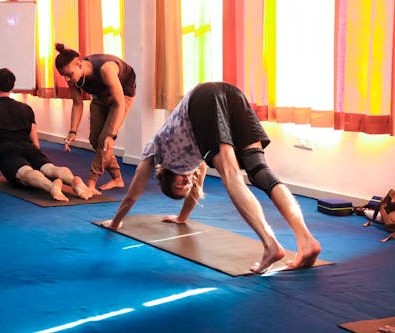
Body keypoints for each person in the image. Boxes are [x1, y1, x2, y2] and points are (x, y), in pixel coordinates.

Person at [102, 81, 322, 274]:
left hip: (202, 99)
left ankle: (270, 245)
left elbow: (132, 195)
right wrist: (181, 218)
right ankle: (307, 241)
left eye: (179, 185)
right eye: (184, 188)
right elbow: (195, 191)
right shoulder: (198, 165)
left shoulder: (156, 153)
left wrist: (116, 221)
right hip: (231, 93)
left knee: (231, 173)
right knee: (260, 172)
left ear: (167, 179)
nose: (186, 183)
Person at [0, 68, 93, 202]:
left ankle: (51, 186)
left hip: (6, 150)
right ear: (12, 86)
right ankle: (73, 180)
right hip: (29, 147)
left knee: (25, 173)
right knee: (50, 168)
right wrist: (37, 160)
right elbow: (35, 141)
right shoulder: (26, 108)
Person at [54, 43, 136, 195]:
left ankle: (91, 183)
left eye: (69, 74)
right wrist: (73, 131)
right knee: (94, 139)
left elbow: (119, 104)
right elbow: (78, 104)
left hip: (122, 97)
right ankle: (118, 179)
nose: (67, 79)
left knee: (105, 140)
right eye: (63, 75)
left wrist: (112, 135)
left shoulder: (106, 69)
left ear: (79, 64)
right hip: (100, 96)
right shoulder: (73, 78)